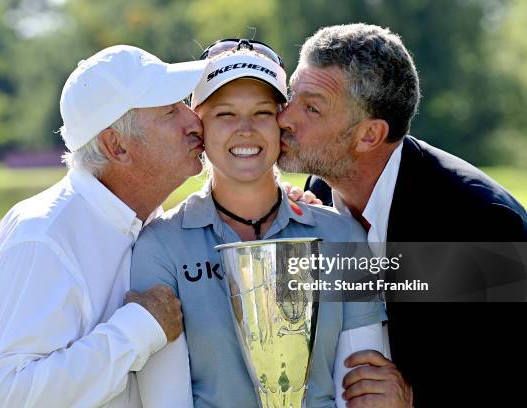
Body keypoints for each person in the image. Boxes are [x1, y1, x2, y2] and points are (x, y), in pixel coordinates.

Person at [0, 45, 212, 407]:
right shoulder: (42, 236)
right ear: (116, 145)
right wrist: (141, 327)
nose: (194, 121)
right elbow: (10, 395)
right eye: (170, 111)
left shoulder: (139, 217)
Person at [278, 23, 527, 407]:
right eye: (291, 95)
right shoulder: (318, 193)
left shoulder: (483, 224)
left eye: (311, 107)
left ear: (369, 136)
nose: (284, 117)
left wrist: (413, 398)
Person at [130, 39, 388, 408]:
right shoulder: (160, 246)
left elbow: (360, 385)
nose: (246, 130)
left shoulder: (341, 235)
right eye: (225, 114)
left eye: (262, 113)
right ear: (198, 125)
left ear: (282, 121)